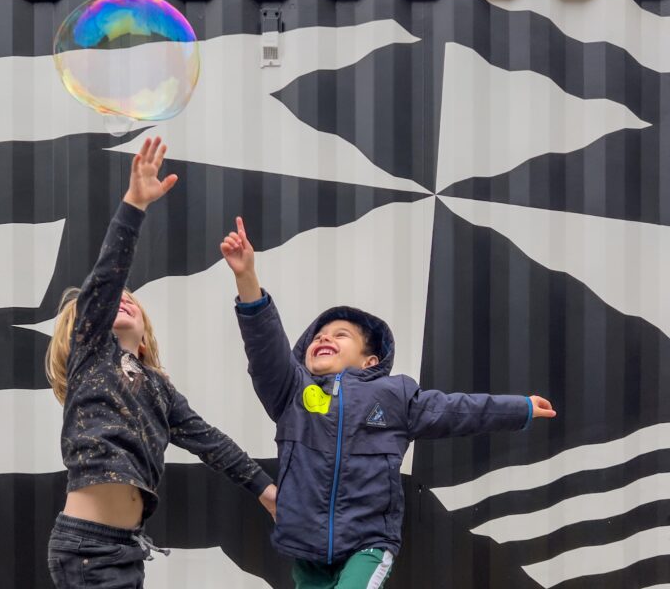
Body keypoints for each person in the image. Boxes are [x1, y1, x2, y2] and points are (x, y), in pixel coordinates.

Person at [220, 216, 556, 588]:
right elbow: (265, 346)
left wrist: (519, 408)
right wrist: (246, 278)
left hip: (369, 543)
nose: (323, 339)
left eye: (340, 334)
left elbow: (456, 410)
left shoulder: (393, 395)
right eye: (318, 336)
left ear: (370, 361)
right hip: (307, 547)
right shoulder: (291, 392)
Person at [45, 138, 276, 589]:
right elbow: (107, 277)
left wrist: (269, 493)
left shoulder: (158, 388)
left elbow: (214, 445)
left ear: (146, 330)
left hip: (123, 547)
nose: (123, 300)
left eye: (132, 299)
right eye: (115, 300)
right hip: (87, 547)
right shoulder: (91, 356)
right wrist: (134, 203)